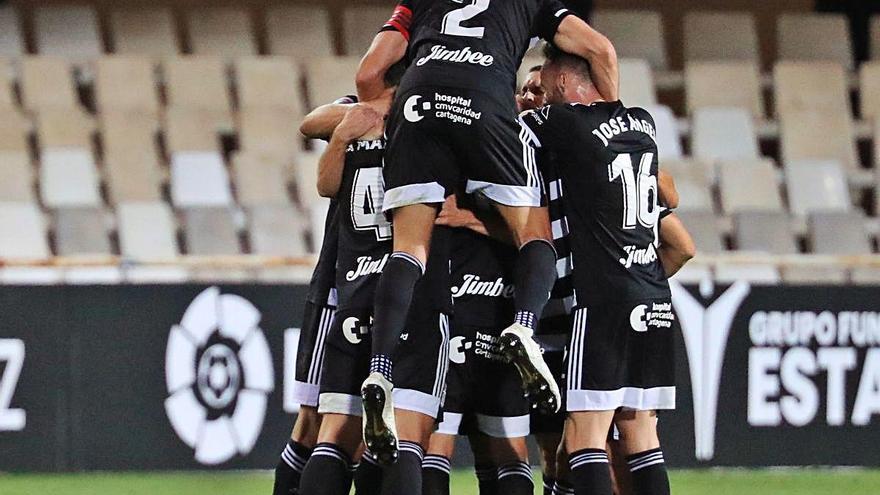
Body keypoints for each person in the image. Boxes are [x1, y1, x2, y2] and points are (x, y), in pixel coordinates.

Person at [354, 0, 620, 463]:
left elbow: (368, 73)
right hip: (484, 97)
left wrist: (385, 111)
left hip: (418, 97)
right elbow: (599, 48)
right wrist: (612, 125)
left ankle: (379, 371)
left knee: (409, 247)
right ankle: (524, 327)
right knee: (533, 231)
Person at [519, 44, 677, 495]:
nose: (541, 91)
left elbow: (500, 124)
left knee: (586, 436)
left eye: (546, 79)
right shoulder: (643, 123)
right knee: (641, 435)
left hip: (601, 297)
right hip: (653, 295)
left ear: (566, 82)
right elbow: (671, 198)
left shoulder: (563, 122)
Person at [297, 65, 452, 495]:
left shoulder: (356, 120)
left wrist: (346, 134)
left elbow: (325, 180)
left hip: (355, 291)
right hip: (410, 292)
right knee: (409, 433)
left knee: (334, 435)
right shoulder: (434, 126)